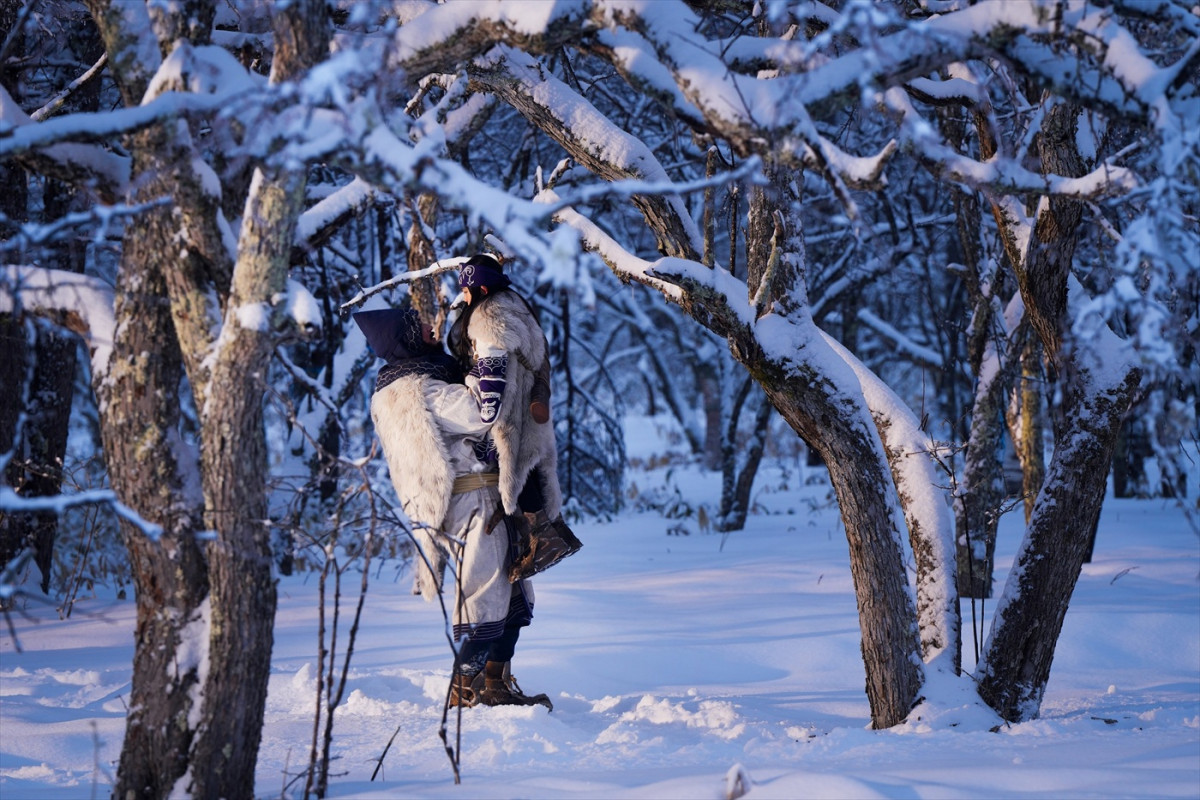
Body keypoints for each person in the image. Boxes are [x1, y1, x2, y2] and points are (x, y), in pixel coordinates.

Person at [354, 306, 550, 709]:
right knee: (485, 598)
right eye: (420, 323)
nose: (431, 325)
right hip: (472, 502)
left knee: (510, 594)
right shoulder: (420, 389)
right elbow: (480, 412)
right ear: (405, 337)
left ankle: (495, 685)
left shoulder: (408, 383)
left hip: (478, 499)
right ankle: (464, 690)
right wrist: (490, 355)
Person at [447, 253, 581, 580]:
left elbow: (492, 370)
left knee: (516, 466)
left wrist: (484, 411)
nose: (463, 297)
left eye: (465, 291)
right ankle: (552, 532)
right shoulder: (515, 304)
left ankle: (544, 540)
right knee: (529, 467)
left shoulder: (488, 316)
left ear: (480, 288)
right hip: (525, 401)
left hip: (509, 410)